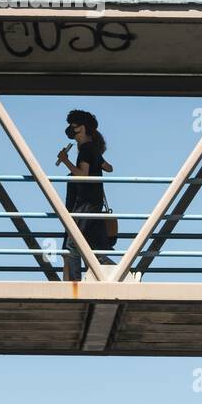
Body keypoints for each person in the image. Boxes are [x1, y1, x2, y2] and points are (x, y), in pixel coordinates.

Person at [54, 109, 115, 280]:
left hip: (85, 203)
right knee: (92, 246)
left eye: (74, 126)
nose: (71, 129)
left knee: (73, 244)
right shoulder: (94, 150)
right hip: (95, 203)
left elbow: (82, 175)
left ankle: (74, 282)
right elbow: (109, 168)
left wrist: (65, 160)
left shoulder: (85, 150)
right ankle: (118, 273)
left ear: (82, 128)